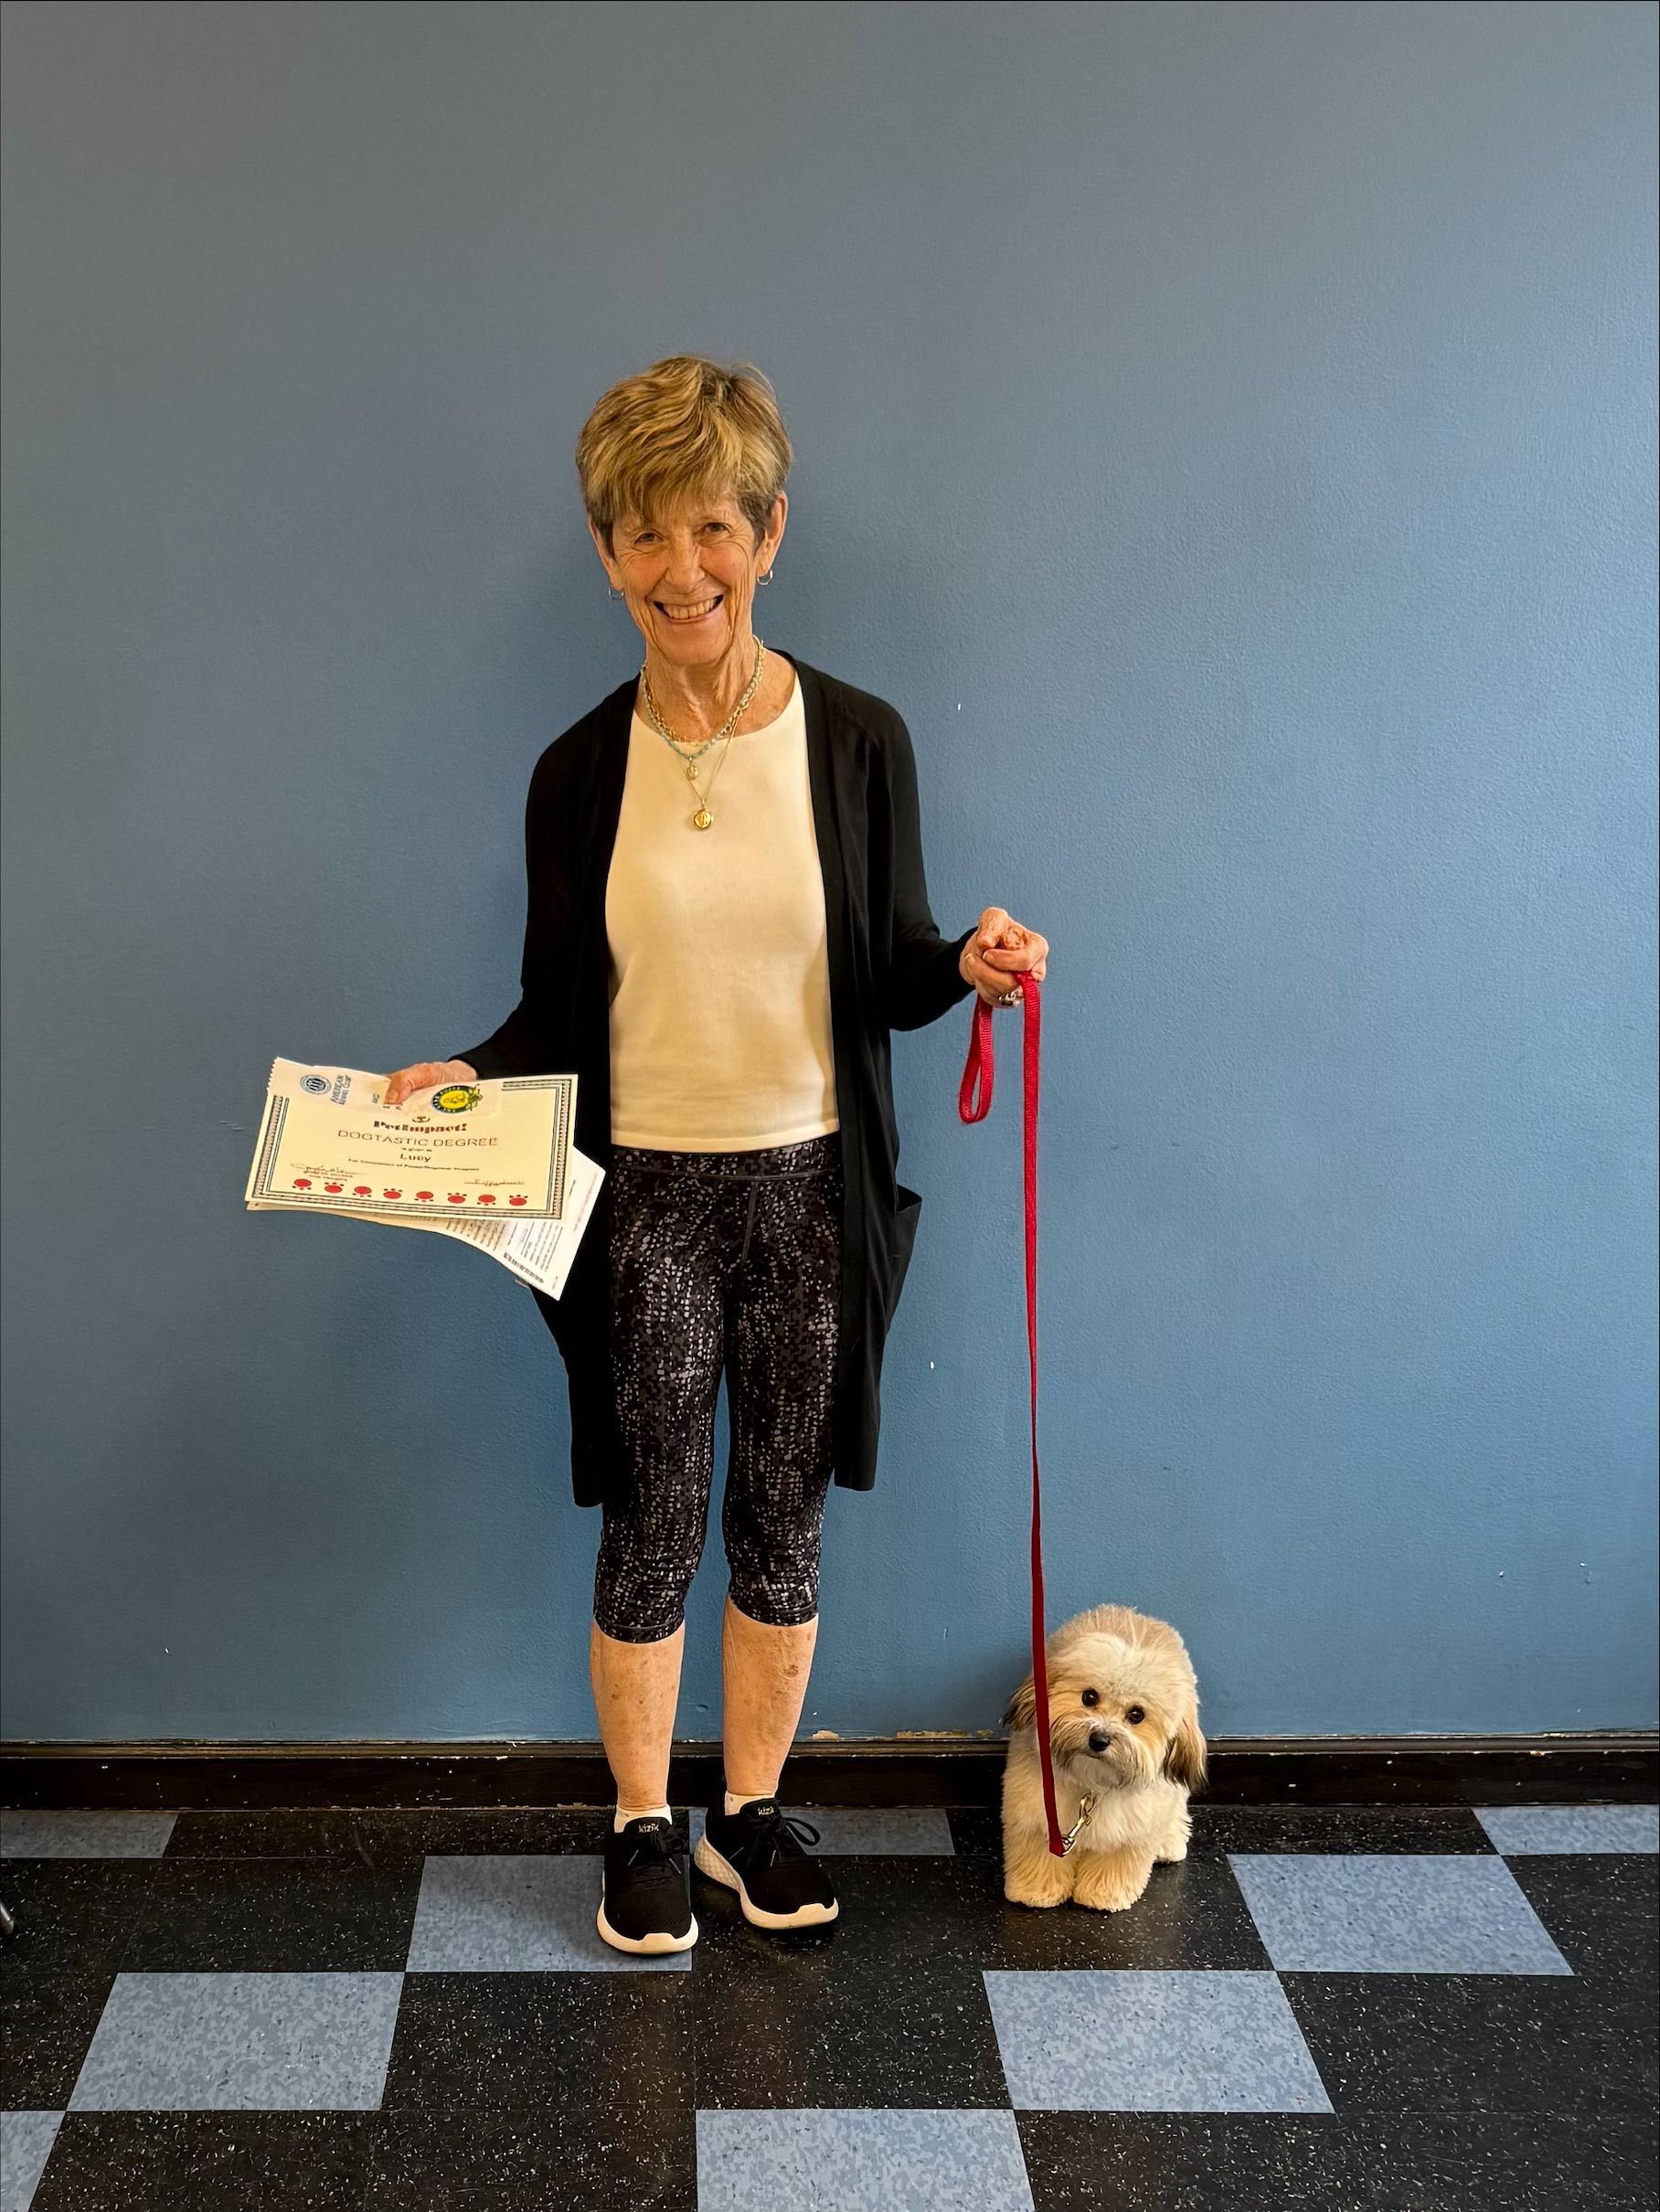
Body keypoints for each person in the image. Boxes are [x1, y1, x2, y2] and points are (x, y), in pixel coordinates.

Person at [385, 355, 1049, 1955]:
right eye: (644, 535)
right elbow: (554, 1010)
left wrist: (967, 965)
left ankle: (750, 1813)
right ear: (606, 552)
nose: (681, 569)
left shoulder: (859, 740)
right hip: (648, 1206)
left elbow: (886, 966)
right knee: (653, 1519)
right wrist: (460, 1081)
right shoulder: (576, 772)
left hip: (811, 1194)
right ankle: (641, 1825)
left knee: (783, 1519)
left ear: (768, 534)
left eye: (712, 529)